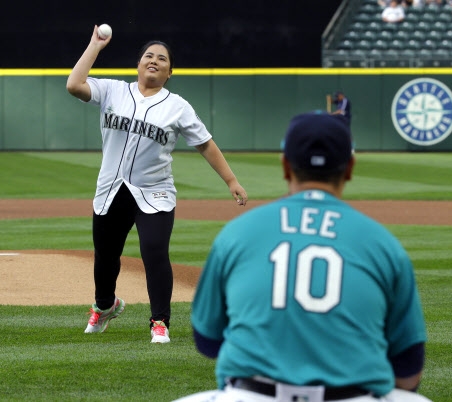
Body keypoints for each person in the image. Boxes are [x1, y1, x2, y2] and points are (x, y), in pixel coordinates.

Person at [173, 112, 430, 402]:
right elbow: (409, 367)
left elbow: (207, 340)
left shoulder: (238, 234)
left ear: (285, 166)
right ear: (349, 168)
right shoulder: (383, 244)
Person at [66, 26, 248, 343]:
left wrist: (231, 180)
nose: (154, 61)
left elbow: (205, 143)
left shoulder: (177, 106)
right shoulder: (113, 91)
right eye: (148, 56)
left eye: (161, 59)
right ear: (138, 64)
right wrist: (95, 46)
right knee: (105, 256)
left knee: (154, 253)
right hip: (111, 189)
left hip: (155, 192)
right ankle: (105, 306)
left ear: (169, 72)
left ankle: (159, 322)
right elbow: (74, 85)